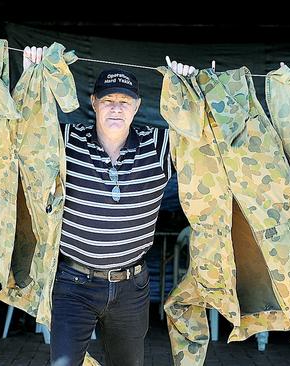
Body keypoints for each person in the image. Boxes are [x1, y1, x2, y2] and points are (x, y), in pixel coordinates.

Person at [22, 47, 195, 366]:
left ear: (137, 106)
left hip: (131, 287)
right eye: (108, 101)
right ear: (94, 103)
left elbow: (201, 140)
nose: (116, 108)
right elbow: (26, 135)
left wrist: (188, 89)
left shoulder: (159, 146)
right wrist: (31, 73)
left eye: (125, 102)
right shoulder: (67, 141)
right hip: (73, 284)